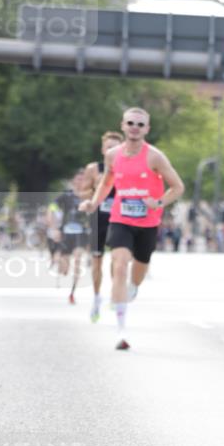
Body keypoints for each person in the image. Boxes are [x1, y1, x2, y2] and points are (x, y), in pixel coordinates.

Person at [80, 106, 185, 350]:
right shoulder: (113, 155)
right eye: (131, 123)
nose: (135, 128)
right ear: (123, 125)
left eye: (140, 124)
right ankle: (121, 330)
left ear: (147, 129)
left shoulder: (155, 157)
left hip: (148, 223)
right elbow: (107, 182)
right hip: (120, 219)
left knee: (136, 275)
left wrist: (158, 202)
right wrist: (93, 203)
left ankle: (133, 288)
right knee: (118, 265)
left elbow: (178, 187)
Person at [80, 130, 124, 322]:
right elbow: (82, 193)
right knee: (97, 261)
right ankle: (97, 297)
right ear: (102, 149)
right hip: (99, 219)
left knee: (118, 259)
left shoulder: (126, 166)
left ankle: (115, 293)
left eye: (116, 147)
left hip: (119, 218)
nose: (112, 150)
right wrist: (96, 188)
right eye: (109, 147)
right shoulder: (93, 169)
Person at [53, 171, 91, 303]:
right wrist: (54, 227)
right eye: (78, 180)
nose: (80, 182)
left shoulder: (89, 196)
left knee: (78, 259)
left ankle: (72, 292)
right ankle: (62, 267)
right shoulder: (66, 195)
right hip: (66, 233)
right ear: (74, 181)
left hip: (81, 234)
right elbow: (52, 207)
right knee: (64, 268)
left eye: (83, 180)